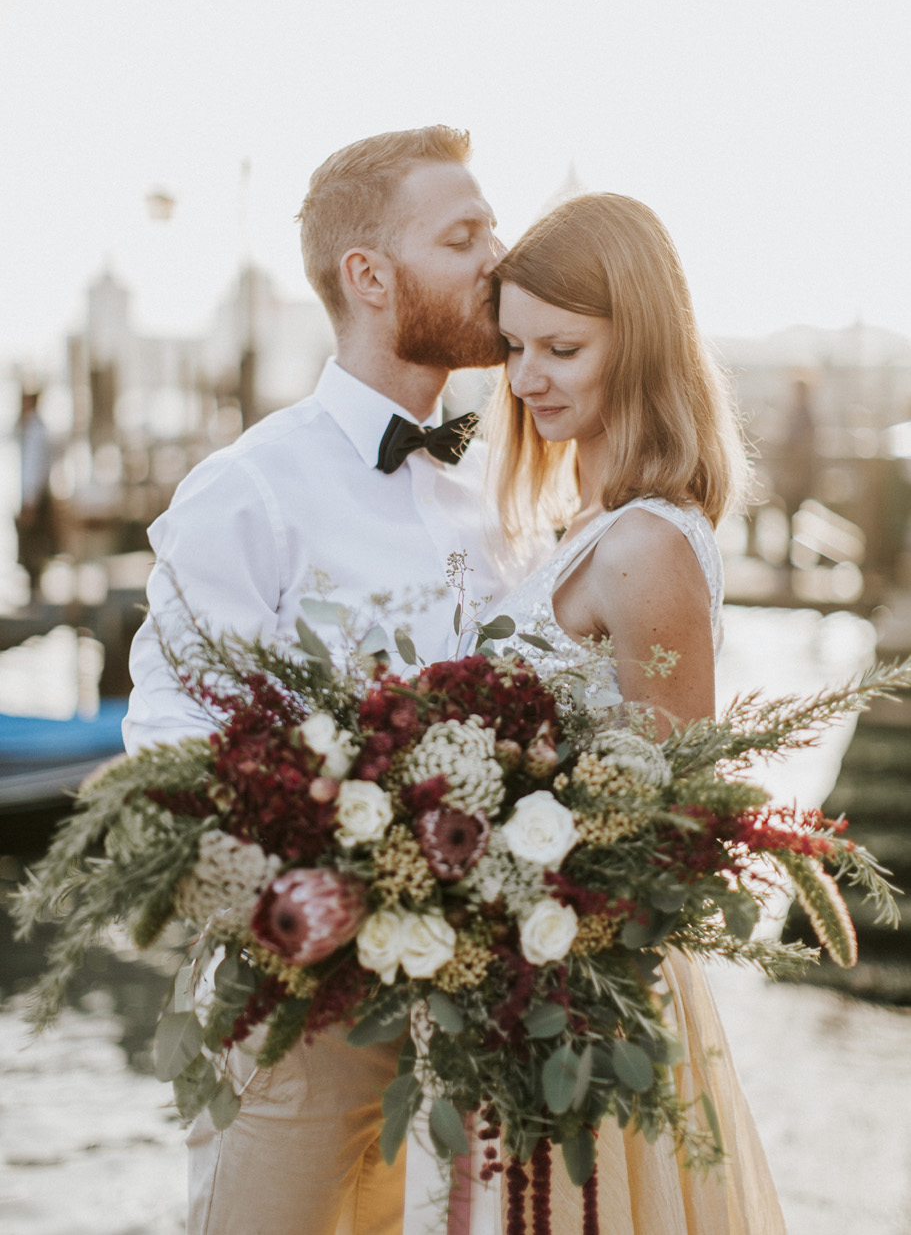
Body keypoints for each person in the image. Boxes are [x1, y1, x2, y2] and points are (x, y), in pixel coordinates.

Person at [123, 125, 538, 1235]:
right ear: (368, 274)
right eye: (463, 235)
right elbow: (166, 741)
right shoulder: (246, 491)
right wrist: (296, 909)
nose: (498, 254)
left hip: (476, 1036)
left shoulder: (494, 497)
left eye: (491, 227)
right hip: (302, 1029)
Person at [478, 193, 787, 1233]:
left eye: (560, 348)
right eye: (513, 347)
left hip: (583, 996)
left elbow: (665, 820)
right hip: (528, 969)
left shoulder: (643, 543)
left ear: (640, 338)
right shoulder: (589, 520)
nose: (526, 380)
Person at [15, 389, 54, 598]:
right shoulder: (33, 428)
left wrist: (30, 502)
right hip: (34, 497)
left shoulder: (35, 430)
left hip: (34, 499)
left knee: (33, 546)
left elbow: (34, 468)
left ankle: (35, 590)